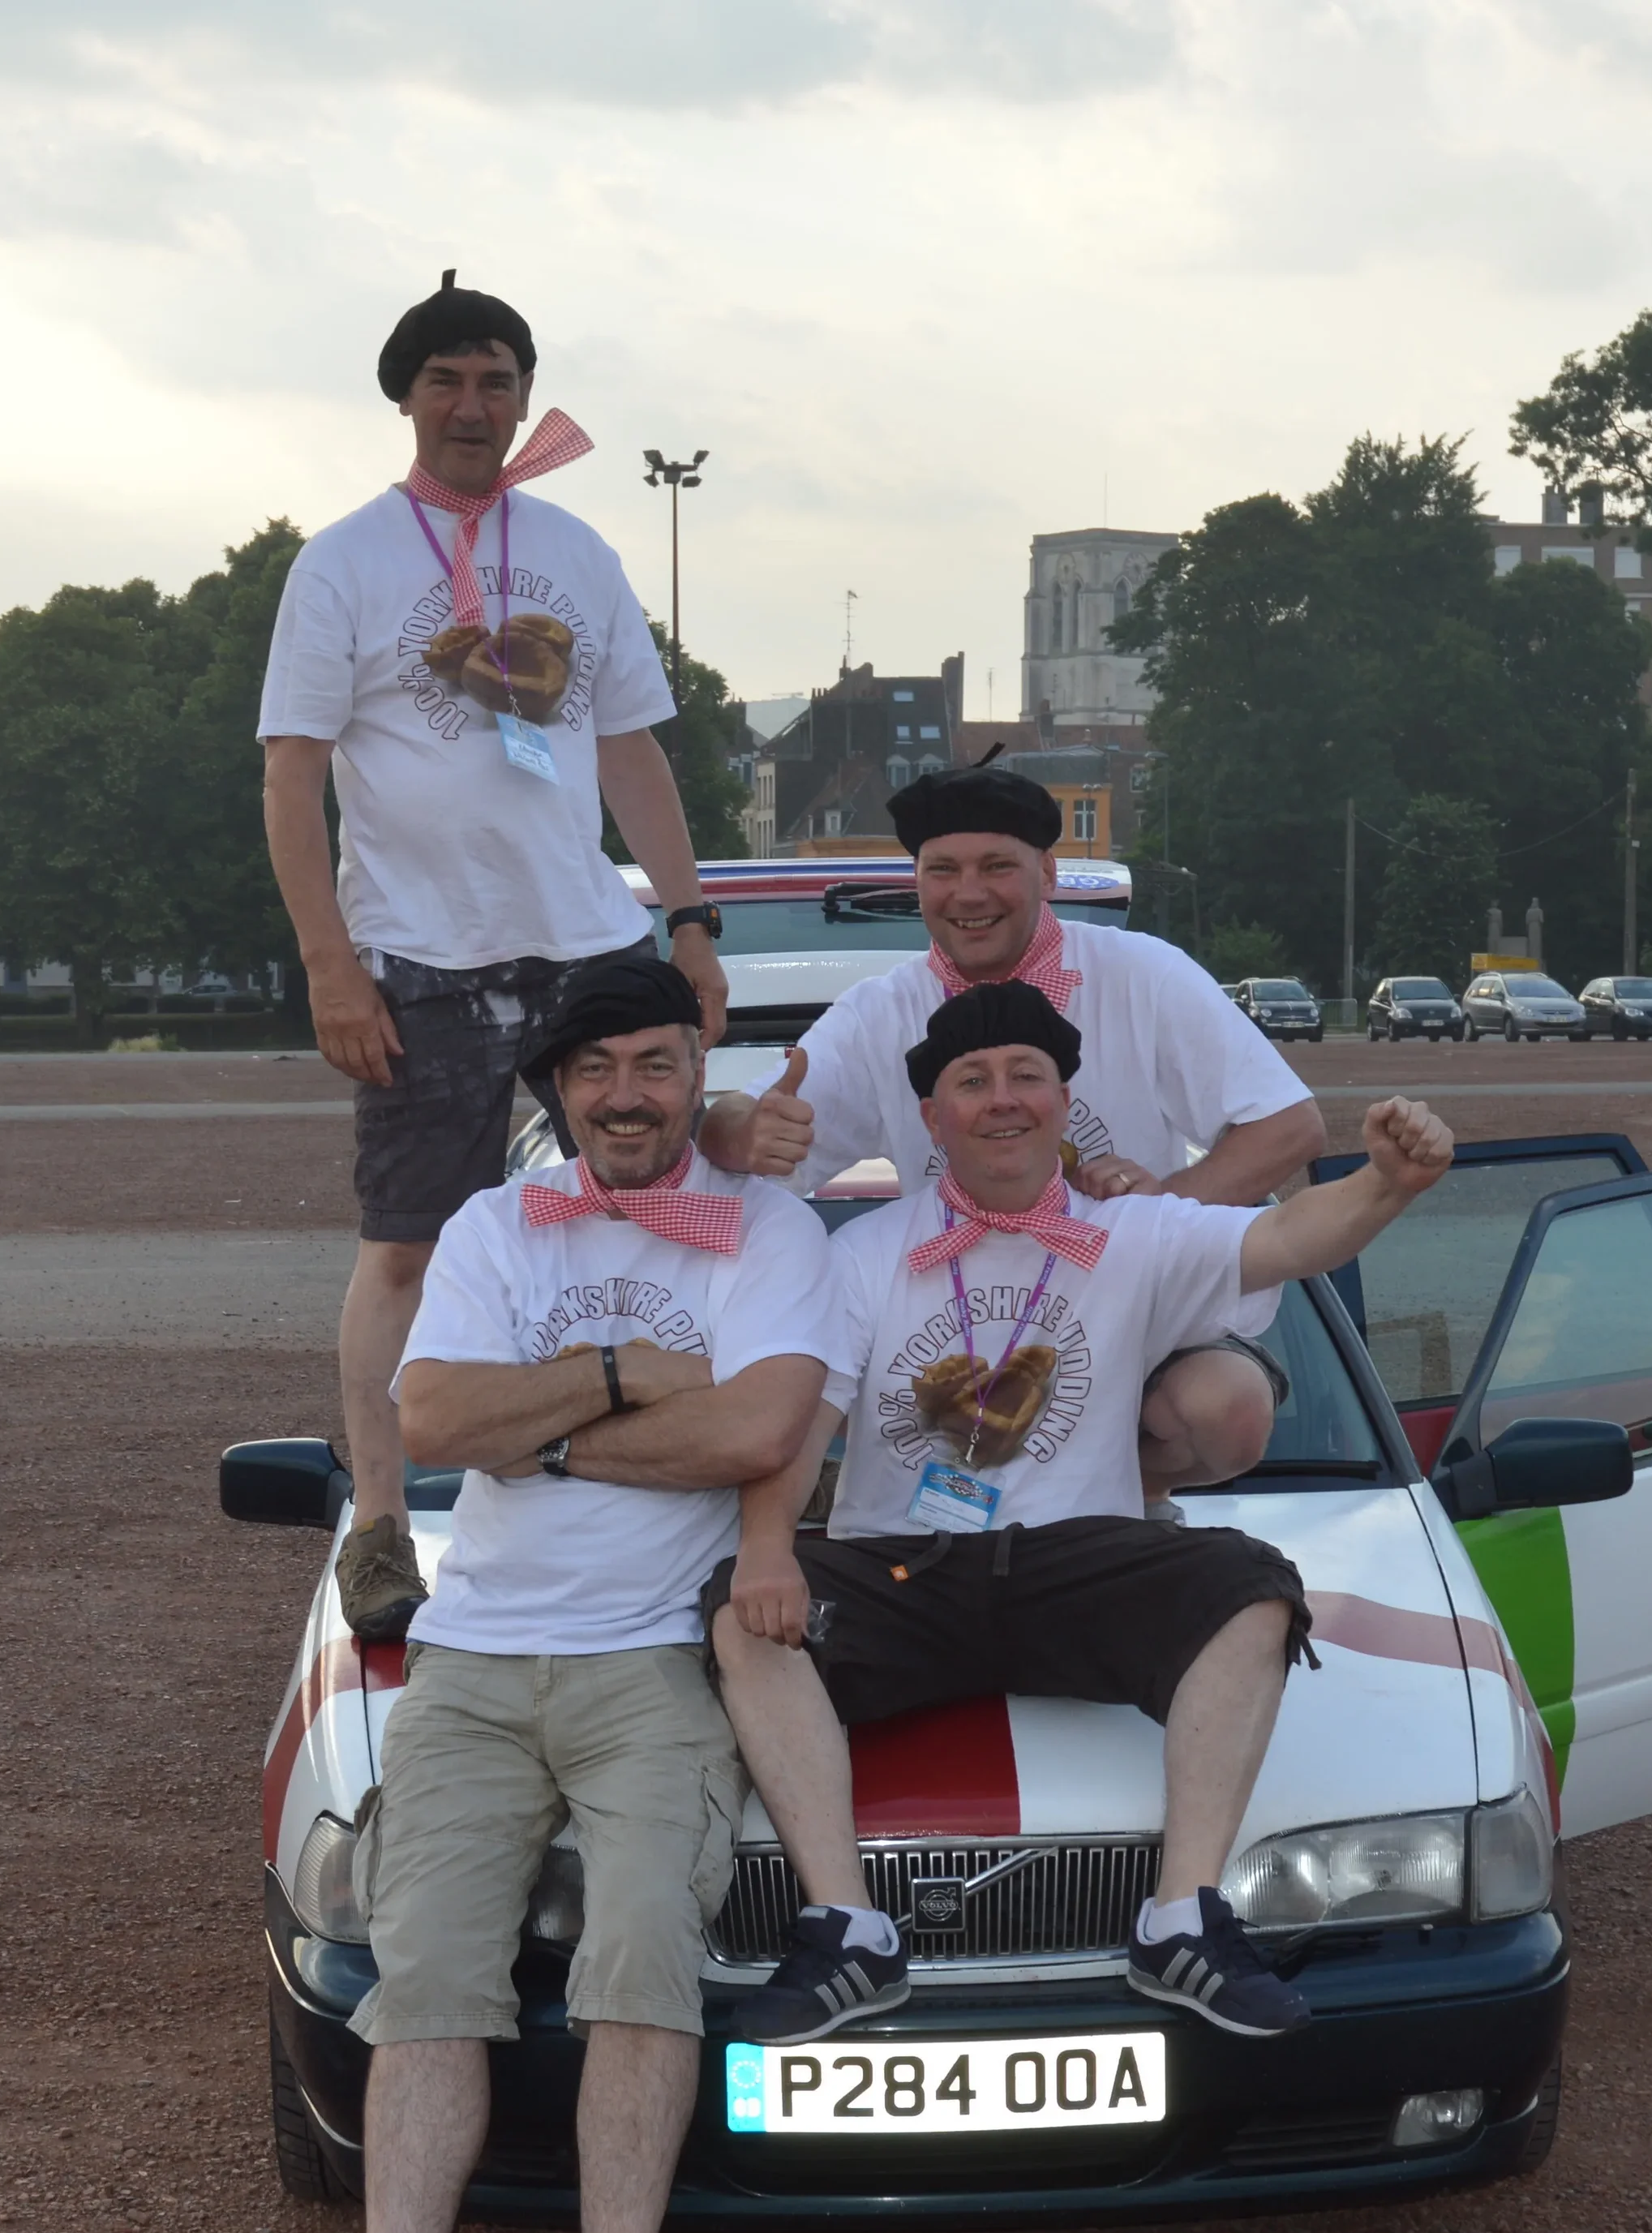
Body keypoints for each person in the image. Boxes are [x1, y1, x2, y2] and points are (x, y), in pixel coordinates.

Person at [251, 960, 833, 2233]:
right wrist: (629, 1377)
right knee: (427, 1977)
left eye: (657, 1062)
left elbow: (762, 1426)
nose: (627, 1094)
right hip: (473, 1659)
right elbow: (435, 1418)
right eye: (596, 1070)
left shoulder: (770, 1227)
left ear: (696, 1072)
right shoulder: (495, 1225)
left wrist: (550, 1430)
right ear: (559, 1092)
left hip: (653, 1661)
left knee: (643, 1959)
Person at [702, 981, 1452, 2046]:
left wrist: (1390, 1182)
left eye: (1028, 1076)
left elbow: (1290, 1237)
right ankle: (847, 1932)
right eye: (972, 1081)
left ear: (1064, 1101)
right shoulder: (860, 1255)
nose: (1003, 1098)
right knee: (736, 1611)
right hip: (908, 1570)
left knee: (1251, 1586)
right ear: (931, 1118)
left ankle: (1182, 1919)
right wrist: (767, 1548)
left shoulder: (1133, 1230)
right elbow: (796, 1422)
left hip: (1078, 1564)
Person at [260, 268, 729, 1644]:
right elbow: (292, 777)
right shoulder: (344, 562)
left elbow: (630, 748)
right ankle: (382, 1523)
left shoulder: (577, 550)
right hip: (422, 958)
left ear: (526, 398)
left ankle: (668, 1488)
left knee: (656, 1218)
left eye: (497, 381)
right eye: (447, 381)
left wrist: (688, 921)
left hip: (587, 944)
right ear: (406, 398)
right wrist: (330, 965)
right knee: (408, 1246)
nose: (473, 406)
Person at [700, 759, 1327, 1514]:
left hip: (1136, 1334)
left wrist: (1162, 1206)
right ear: (917, 880)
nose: (969, 894)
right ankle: (917, 1493)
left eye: (997, 866)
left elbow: (1290, 1124)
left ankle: (1109, 1499)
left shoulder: (1144, 975)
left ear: (1049, 872)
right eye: (943, 870)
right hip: (950, 1336)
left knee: (1228, 1408)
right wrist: (739, 1130)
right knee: (780, 1381)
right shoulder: (878, 1013)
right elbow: (734, 1134)